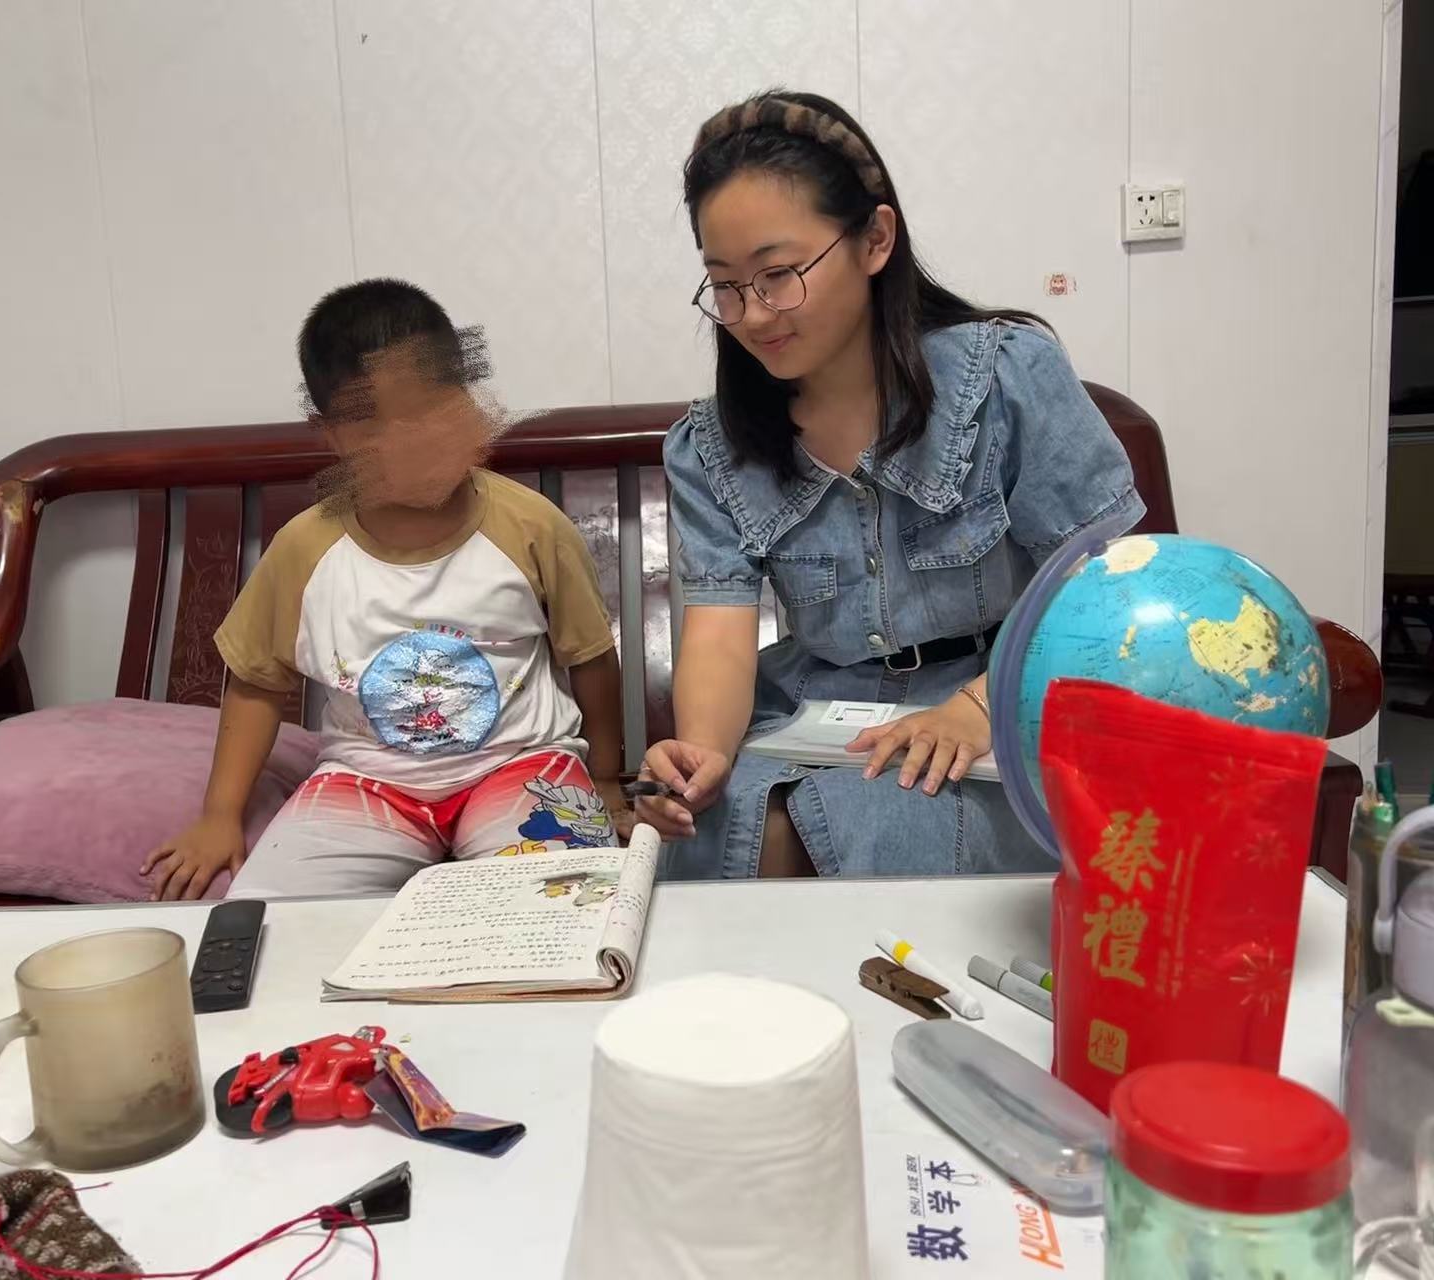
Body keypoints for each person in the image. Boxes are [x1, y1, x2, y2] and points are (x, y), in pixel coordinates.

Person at [636, 92, 1145, 879]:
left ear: (874, 239)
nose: (752, 315)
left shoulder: (1003, 378)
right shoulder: (713, 445)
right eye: (725, 286)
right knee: (711, 829)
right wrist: (700, 751)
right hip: (813, 708)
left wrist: (976, 709)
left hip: (1004, 690)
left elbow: (1103, 588)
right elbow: (719, 634)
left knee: (881, 818)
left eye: (777, 274)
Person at [143, 279, 631, 900]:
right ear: (329, 434)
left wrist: (606, 778)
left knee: (573, 903)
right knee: (266, 916)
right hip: (365, 782)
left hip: (522, 768)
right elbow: (257, 682)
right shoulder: (304, 550)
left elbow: (590, 656)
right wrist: (220, 816)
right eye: (373, 424)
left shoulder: (532, 527)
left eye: (431, 411)